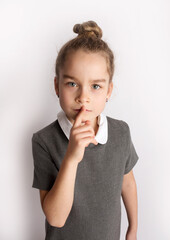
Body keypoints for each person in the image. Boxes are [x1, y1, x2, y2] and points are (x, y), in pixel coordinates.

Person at [31, 20, 139, 240]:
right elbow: (55, 219)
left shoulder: (121, 133)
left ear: (108, 91)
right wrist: (71, 157)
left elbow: (127, 182)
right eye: (72, 84)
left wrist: (133, 228)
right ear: (56, 87)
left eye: (96, 86)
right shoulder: (44, 141)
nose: (83, 97)